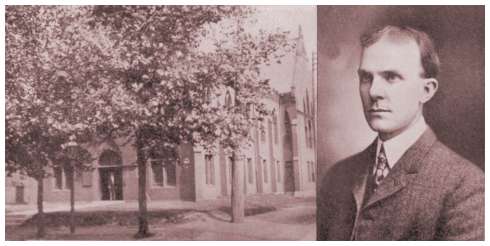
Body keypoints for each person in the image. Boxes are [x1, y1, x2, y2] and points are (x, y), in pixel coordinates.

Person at [317, 25, 484, 240]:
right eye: (366, 78)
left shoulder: (466, 188)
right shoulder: (337, 177)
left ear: (427, 90)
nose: (374, 91)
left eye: (391, 77)